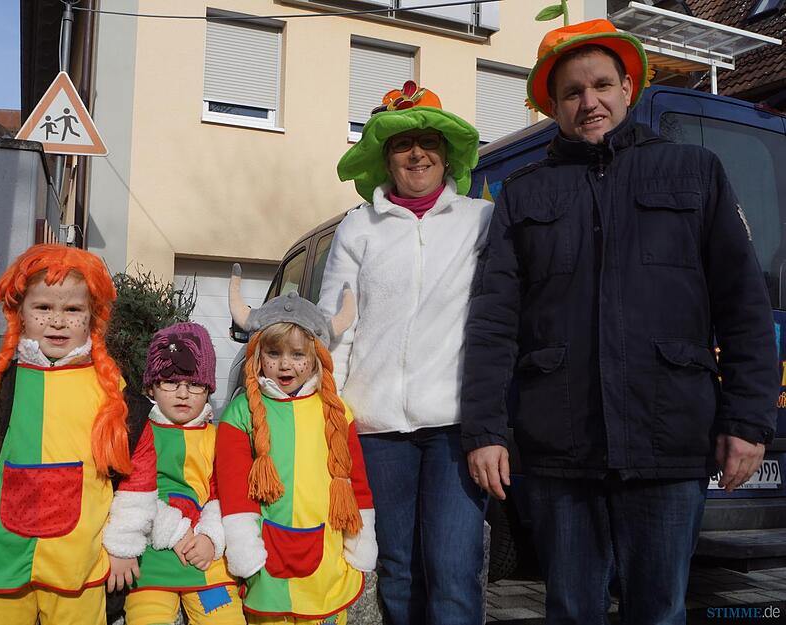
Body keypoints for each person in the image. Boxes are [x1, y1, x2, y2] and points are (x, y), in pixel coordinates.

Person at [462, 19, 779, 625]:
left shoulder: (694, 172)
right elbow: (493, 322)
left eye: (602, 85)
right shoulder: (523, 195)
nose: (590, 103)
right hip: (561, 444)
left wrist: (747, 420)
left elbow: (744, 305)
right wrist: (486, 430)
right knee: (572, 609)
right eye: (573, 93)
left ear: (628, 88)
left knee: (658, 611)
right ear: (552, 107)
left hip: (669, 435)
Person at [0, 244, 159, 625]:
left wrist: (124, 545)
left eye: (73, 310)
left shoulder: (113, 394)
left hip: (80, 568)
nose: (57, 321)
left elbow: (138, 475)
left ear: (93, 317)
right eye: (43, 308)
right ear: (20, 314)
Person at [320, 81, 492, 625]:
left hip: (454, 427)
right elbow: (336, 328)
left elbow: (501, 321)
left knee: (454, 568)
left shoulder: (479, 221)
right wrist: (332, 418)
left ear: (447, 155)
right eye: (402, 144)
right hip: (375, 430)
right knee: (396, 568)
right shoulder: (357, 226)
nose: (417, 153)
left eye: (428, 142)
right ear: (384, 157)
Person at [216, 265, 377, 624]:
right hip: (266, 559)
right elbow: (232, 486)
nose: (285, 365)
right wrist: (244, 545)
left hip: (326, 556)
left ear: (316, 356)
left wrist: (359, 541)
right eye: (273, 354)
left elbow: (357, 482)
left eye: (298, 355)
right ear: (258, 355)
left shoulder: (337, 412)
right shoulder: (240, 413)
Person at [121, 322, 245, 625]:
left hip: (206, 560)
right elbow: (133, 493)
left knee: (225, 619)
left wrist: (211, 538)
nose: (183, 393)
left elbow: (223, 493)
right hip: (152, 559)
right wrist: (174, 532)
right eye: (170, 383)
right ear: (151, 386)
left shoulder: (217, 437)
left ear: (208, 390)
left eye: (194, 385)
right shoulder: (139, 432)